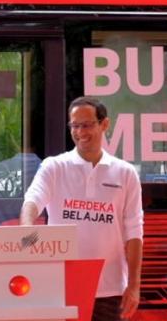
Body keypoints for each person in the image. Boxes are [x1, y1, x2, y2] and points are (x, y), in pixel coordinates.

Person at [20, 96, 143, 321]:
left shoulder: (125, 173)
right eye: (74, 126)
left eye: (86, 125)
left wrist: (134, 285)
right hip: (60, 286)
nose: (79, 132)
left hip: (110, 289)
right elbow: (33, 199)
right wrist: (27, 229)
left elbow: (134, 231)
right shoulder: (54, 166)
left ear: (104, 124)